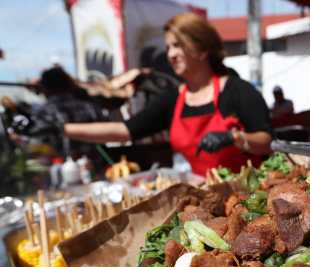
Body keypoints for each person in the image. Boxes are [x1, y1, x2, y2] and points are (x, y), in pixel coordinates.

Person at [64, 12, 272, 176]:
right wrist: (64, 129)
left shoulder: (238, 90)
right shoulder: (172, 99)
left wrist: (234, 137)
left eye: (178, 45)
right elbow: (124, 130)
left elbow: (266, 142)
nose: (170, 54)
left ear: (202, 48)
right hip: (203, 198)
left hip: (248, 197)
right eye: (168, 47)